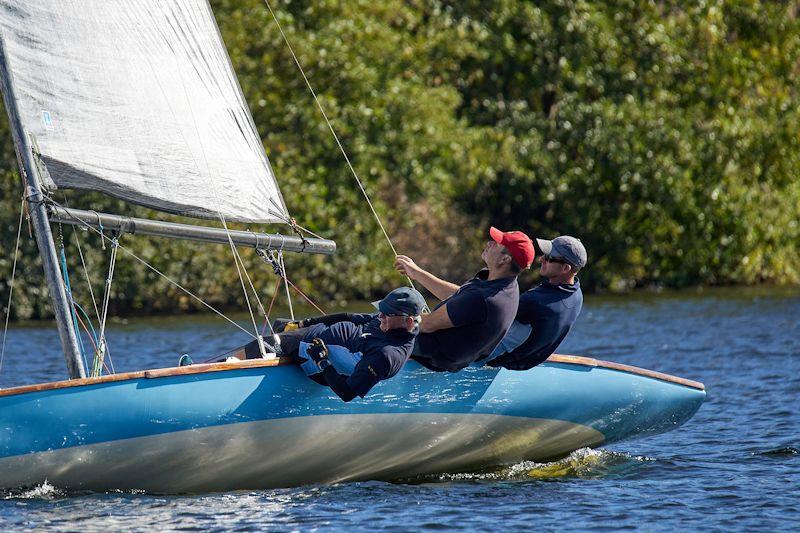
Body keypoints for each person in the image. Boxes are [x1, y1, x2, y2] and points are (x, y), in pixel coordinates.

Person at [235, 287, 426, 402]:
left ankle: (217, 371)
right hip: (313, 332)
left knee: (261, 345)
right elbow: (348, 317)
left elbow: (347, 393)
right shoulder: (391, 321)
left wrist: (323, 362)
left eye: (387, 314)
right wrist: (303, 323)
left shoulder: (386, 356)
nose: (381, 316)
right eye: (381, 311)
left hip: (311, 354)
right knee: (280, 324)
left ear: (409, 321)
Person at [394, 227, 534, 373]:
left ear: (505, 259)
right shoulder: (507, 284)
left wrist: (388, 316)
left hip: (433, 356)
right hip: (458, 355)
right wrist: (416, 272)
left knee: (376, 326)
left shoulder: (484, 299)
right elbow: (460, 296)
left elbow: (428, 324)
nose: (489, 243)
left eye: (496, 243)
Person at [483, 235, 586, 371]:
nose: (541, 258)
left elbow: (481, 307)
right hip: (527, 362)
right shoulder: (576, 293)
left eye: (549, 257)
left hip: (496, 362)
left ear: (566, 269)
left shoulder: (536, 302)